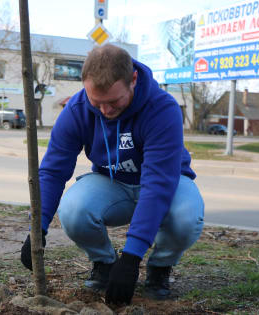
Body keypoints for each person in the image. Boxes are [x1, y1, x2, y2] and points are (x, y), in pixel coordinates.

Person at [20, 44, 204, 305]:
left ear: (133, 80)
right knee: (73, 209)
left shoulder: (162, 109)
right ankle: (104, 264)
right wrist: (36, 228)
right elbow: (52, 171)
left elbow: (157, 184)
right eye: (97, 102)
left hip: (166, 184)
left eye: (114, 101)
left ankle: (159, 269)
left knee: (186, 216)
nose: (105, 111)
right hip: (113, 182)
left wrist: (132, 257)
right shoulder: (77, 109)